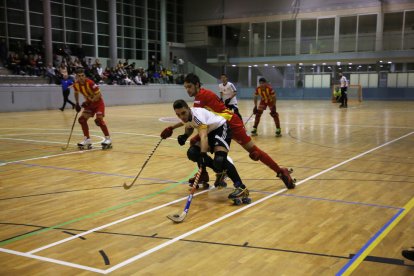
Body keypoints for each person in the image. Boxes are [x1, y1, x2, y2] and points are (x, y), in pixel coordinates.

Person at [160, 73, 295, 190]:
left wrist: (172, 128)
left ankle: (280, 171)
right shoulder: (200, 96)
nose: (187, 90)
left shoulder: (201, 96)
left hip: (231, 123)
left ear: (196, 85)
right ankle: (204, 173)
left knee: (254, 152)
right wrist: (173, 128)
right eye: (185, 87)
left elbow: (189, 118)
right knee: (195, 142)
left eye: (189, 86)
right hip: (219, 125)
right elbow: (190, 118)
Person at [172, 99, 250, 201]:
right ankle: (221, 171)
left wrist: (203, 154)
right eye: (178, 115)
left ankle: (241, 187)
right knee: (192, 153)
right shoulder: (186, 116)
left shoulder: (198, 116)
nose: (182, 117)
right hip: (209, 132)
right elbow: (189, 126)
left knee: (219, 159)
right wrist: (185, 136)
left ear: (188, 108)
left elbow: (203, 137)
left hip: (220, 128)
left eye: (183, 113)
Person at [73, 68, 112, 149]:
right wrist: (76, 103)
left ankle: (108, 139)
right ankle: (87, 139)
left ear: (85, 76)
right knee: (82, 119)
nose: (81, 78)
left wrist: (89, 102)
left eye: (82, 76)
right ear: (76, 77)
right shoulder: (76, 84)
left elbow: (99, 95)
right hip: (89, 104)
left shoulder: (90, 83)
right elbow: (76, 93)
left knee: (99, 120)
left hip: (98, 103)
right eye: (79, 76)